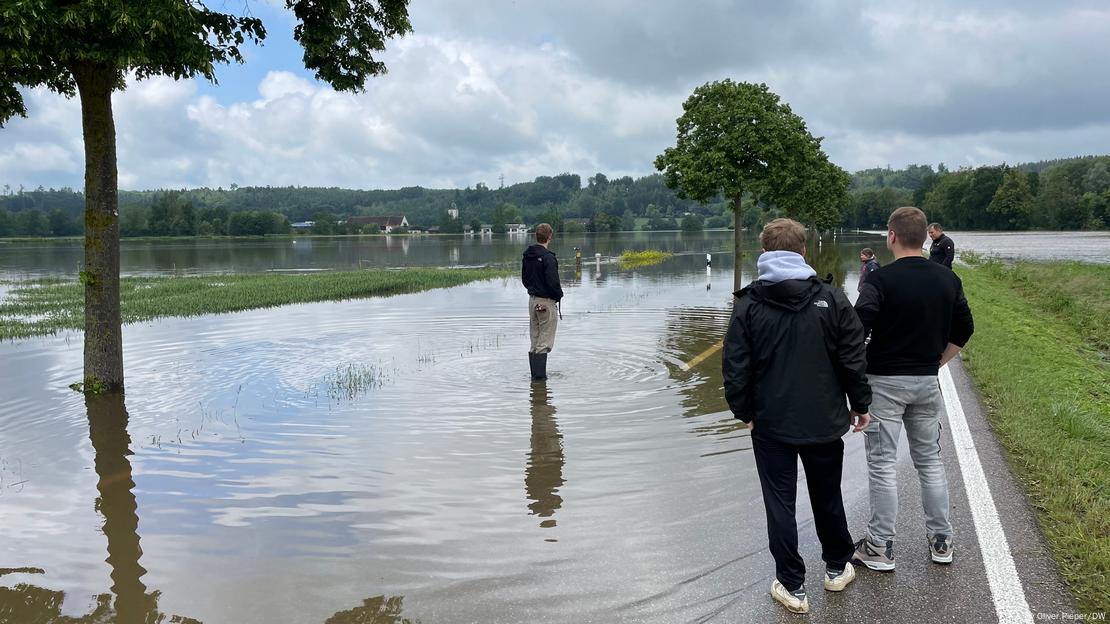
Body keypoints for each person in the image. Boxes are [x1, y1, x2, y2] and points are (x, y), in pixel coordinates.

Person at [722, 218, 872, 615]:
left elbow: (735, 365)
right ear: (803, 251)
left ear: (764, 253)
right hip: (824, 420)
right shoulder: (832, 297)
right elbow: (852, 357)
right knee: (827, 494)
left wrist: (744, 413)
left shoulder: (748, 303)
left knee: (780, 503)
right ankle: (837, 567)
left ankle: (792, 584)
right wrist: (860, 404)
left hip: (771, 424)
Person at [853, 207, 974, 572]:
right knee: (930, 462)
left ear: (891, 236)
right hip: (925, 382)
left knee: (882, 464)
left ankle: (880, 545)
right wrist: (937, 362)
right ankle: (941, 540)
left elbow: (856, 330)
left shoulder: (879, 281)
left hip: (885, 382)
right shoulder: (947, 280)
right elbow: (964, 330)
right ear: (924, 237)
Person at [521, 223, 563, 381]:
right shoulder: (548, 258)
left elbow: (524, 279)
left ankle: (536, 386)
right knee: (544, 341)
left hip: (532, 301)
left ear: (536, 236)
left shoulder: (527, 256)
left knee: (535, 339)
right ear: (550, 236)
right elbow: (553, 283)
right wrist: (559, 295)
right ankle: (539, 381)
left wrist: (534, 290)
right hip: (546, 302)